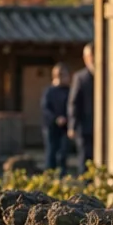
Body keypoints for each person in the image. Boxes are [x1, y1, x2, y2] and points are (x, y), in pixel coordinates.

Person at [68, 43, 96, 171]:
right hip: (85, 126)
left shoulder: (106, 73)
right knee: (85, 158)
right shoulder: (80, 77)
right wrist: (72, 125)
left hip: (103, 126)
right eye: (90, 56)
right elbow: (74, 102)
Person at [42, 63, 71, 174]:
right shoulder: (49, 91)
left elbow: (72, 107)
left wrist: (67, 118)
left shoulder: (69, 91)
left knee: (63, 154)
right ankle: (49, 176)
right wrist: (56, 119)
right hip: (51, 127)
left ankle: (62, 176)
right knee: (51, 153)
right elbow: (45, 108)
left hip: (65, 127)